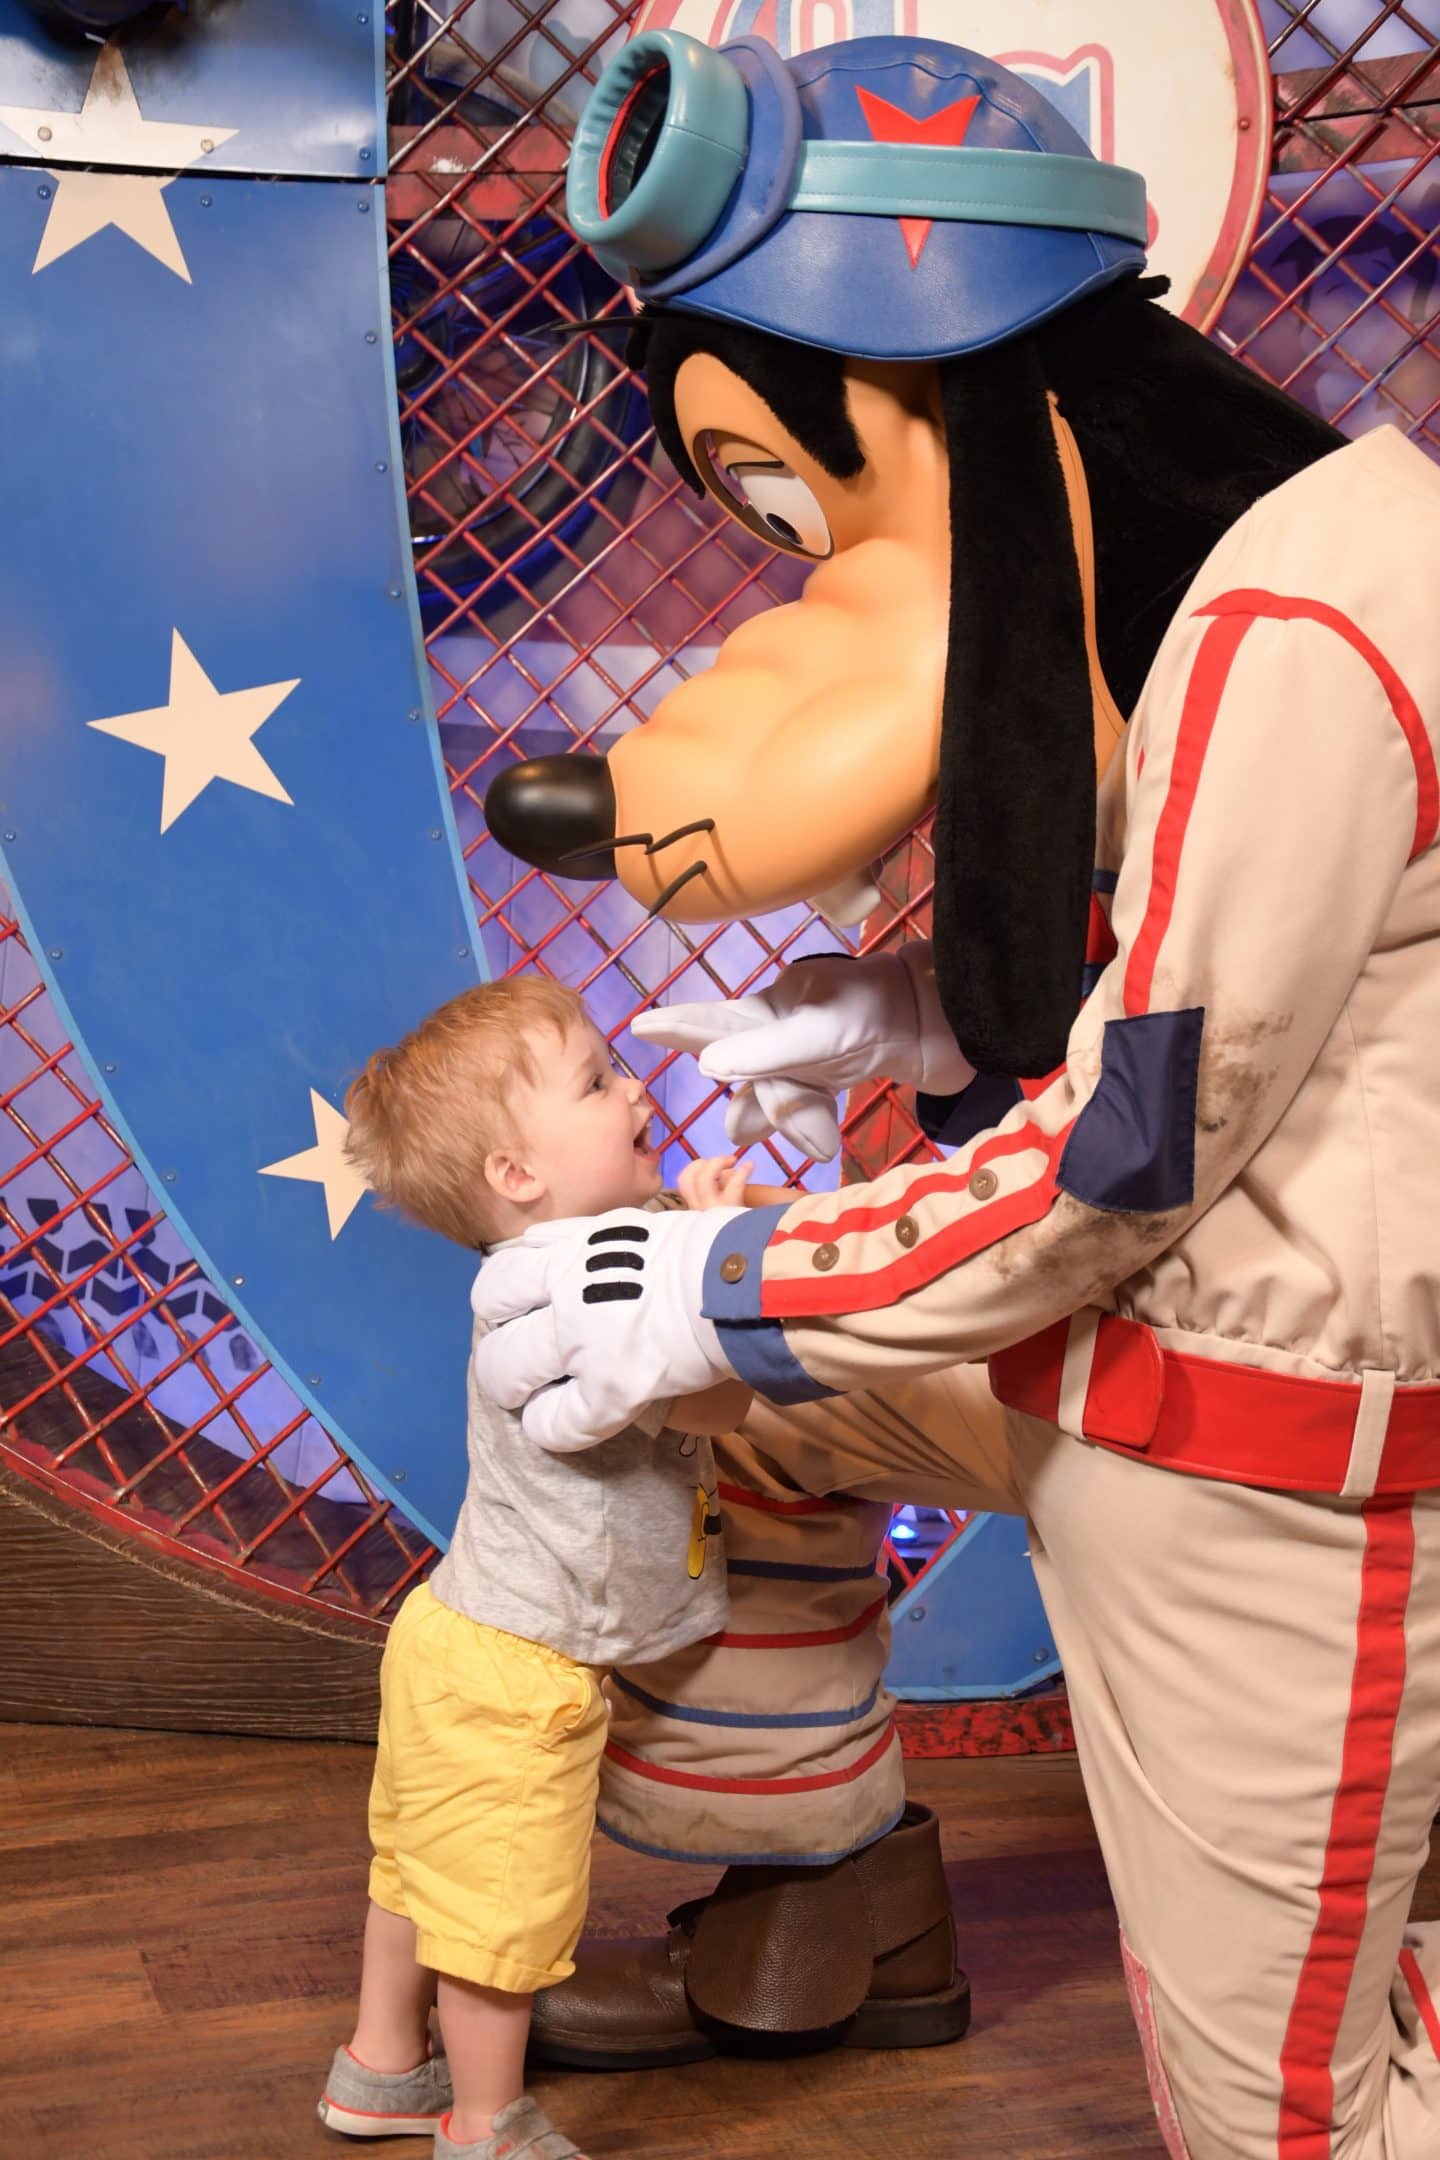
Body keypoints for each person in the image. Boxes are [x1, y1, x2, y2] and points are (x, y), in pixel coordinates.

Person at [475, 29, 1440, 2159]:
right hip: (1110, 1372)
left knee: (1284, 2113)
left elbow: (1132, 1147)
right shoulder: (1228, 583)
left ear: (953, 398)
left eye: (789, 491)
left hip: (1271, 1461)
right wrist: (926, 1014)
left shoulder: (1311, 623)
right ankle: (836, 1896)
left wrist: (732, 1277)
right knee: (752, 1430)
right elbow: (1254, 973)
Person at [315, 974, 752, 2160]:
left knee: (419, 1872)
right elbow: (714, 1395)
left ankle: (382, 2067)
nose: (632, 1090)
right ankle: (485, 2125)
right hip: (519, 1669)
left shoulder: (576, 1252)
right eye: (597, 1080)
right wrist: (723, 1256)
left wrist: (692, 1225)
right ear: (518, 1174)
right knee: (497, 1917)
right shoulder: (576, 1283)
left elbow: (657, 1287)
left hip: (458, 1636)